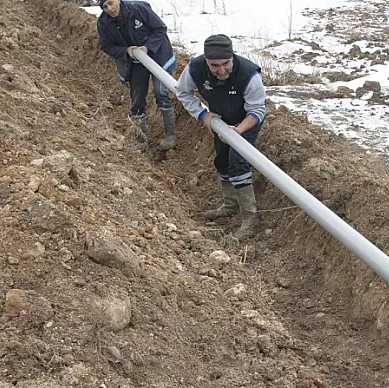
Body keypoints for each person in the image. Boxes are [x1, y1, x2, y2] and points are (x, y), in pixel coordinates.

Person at [174, 34, 267, 241]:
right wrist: (203, 114)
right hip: (220, 120)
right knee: (222, 159)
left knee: (238, 161)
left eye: (226, 63)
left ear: (232, 57)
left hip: (247, 120)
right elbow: (182, 92)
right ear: (206, 61)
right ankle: (229, 205)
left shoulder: (248, 74)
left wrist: (239, 130)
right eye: (215, 65)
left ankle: (250, 218)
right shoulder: (195, 68)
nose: (221, 70)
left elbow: (258, 109)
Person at [96, 0, 178, 151]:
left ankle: (170, 136)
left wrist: (148, 47)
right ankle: (140, 138)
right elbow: (106, 46)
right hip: (134, 59)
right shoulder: (103, 23)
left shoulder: (138, 9)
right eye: (105, 7)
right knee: (137, 97)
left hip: (157, 53)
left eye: (111, 3)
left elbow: (160, 29)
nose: (109, 8)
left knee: (161, 93)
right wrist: (126, 51)